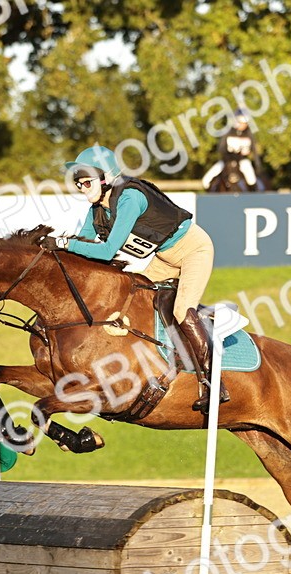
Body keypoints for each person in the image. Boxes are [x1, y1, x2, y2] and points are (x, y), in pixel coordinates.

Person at [41, 144, 229, 413]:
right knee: (132, 293)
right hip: (164, 259)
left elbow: (106, 251)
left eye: (86, 181)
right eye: (77, 183)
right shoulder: (97, 211)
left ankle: (213, 382)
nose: (81, 187)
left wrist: (63, 244)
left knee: (180, 309)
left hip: (193, 251)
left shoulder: (129, 198)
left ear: (105, 178)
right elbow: (79, 246)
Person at [201, 110, 264, 192]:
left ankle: (252, 195)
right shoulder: (228, 133)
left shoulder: (249, 134)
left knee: (251, 178)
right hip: (227, 161)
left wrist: (257, 165)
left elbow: (254, 151)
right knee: (206, 180)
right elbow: (221, 149)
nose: (243, 125)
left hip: (242, 161)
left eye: (245, 123)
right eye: (241, 122)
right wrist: (229, 156)